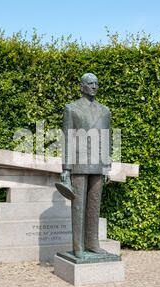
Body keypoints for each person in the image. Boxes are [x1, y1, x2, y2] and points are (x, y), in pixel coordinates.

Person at [60, 73, 111, 259]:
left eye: (97, 83)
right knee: (78, 206)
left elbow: (106, 138)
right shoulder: (71, 109)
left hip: (98, 164)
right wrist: (66, 169)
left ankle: (93, 244)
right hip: (79, 164)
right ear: (82, 86)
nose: (94, 86)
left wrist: (106, 165)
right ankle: (78, 247)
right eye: (90, 84)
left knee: (94, 206)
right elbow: (67, 139)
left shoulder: (105, 110)